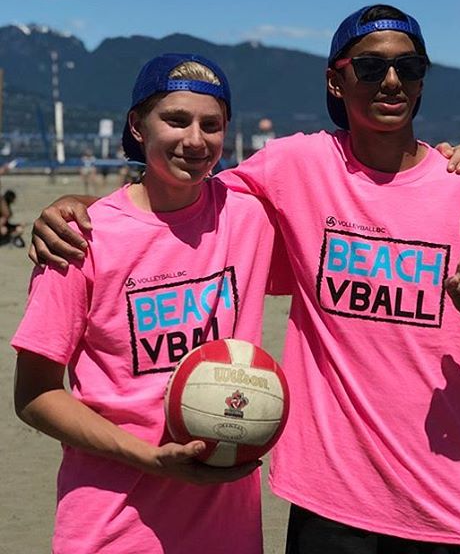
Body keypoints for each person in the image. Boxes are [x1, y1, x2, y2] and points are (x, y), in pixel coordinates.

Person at [30, 5, 460, 553]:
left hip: (448, 499)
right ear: (336, 80)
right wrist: (83, 208)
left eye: (410, 68)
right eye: (370, 67)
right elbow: (165, 202)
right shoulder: (294, 167)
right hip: (327, 502)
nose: (391, 80)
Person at [12, 53, 291, 554]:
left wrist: (442, 161)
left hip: (227, 529)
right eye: (176, 120)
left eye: (211, 125)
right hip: (113, 525)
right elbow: (34, 396)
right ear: (137, 127)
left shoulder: (249, 219)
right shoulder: (83, 239)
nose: (195, 139)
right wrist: (147, 457)